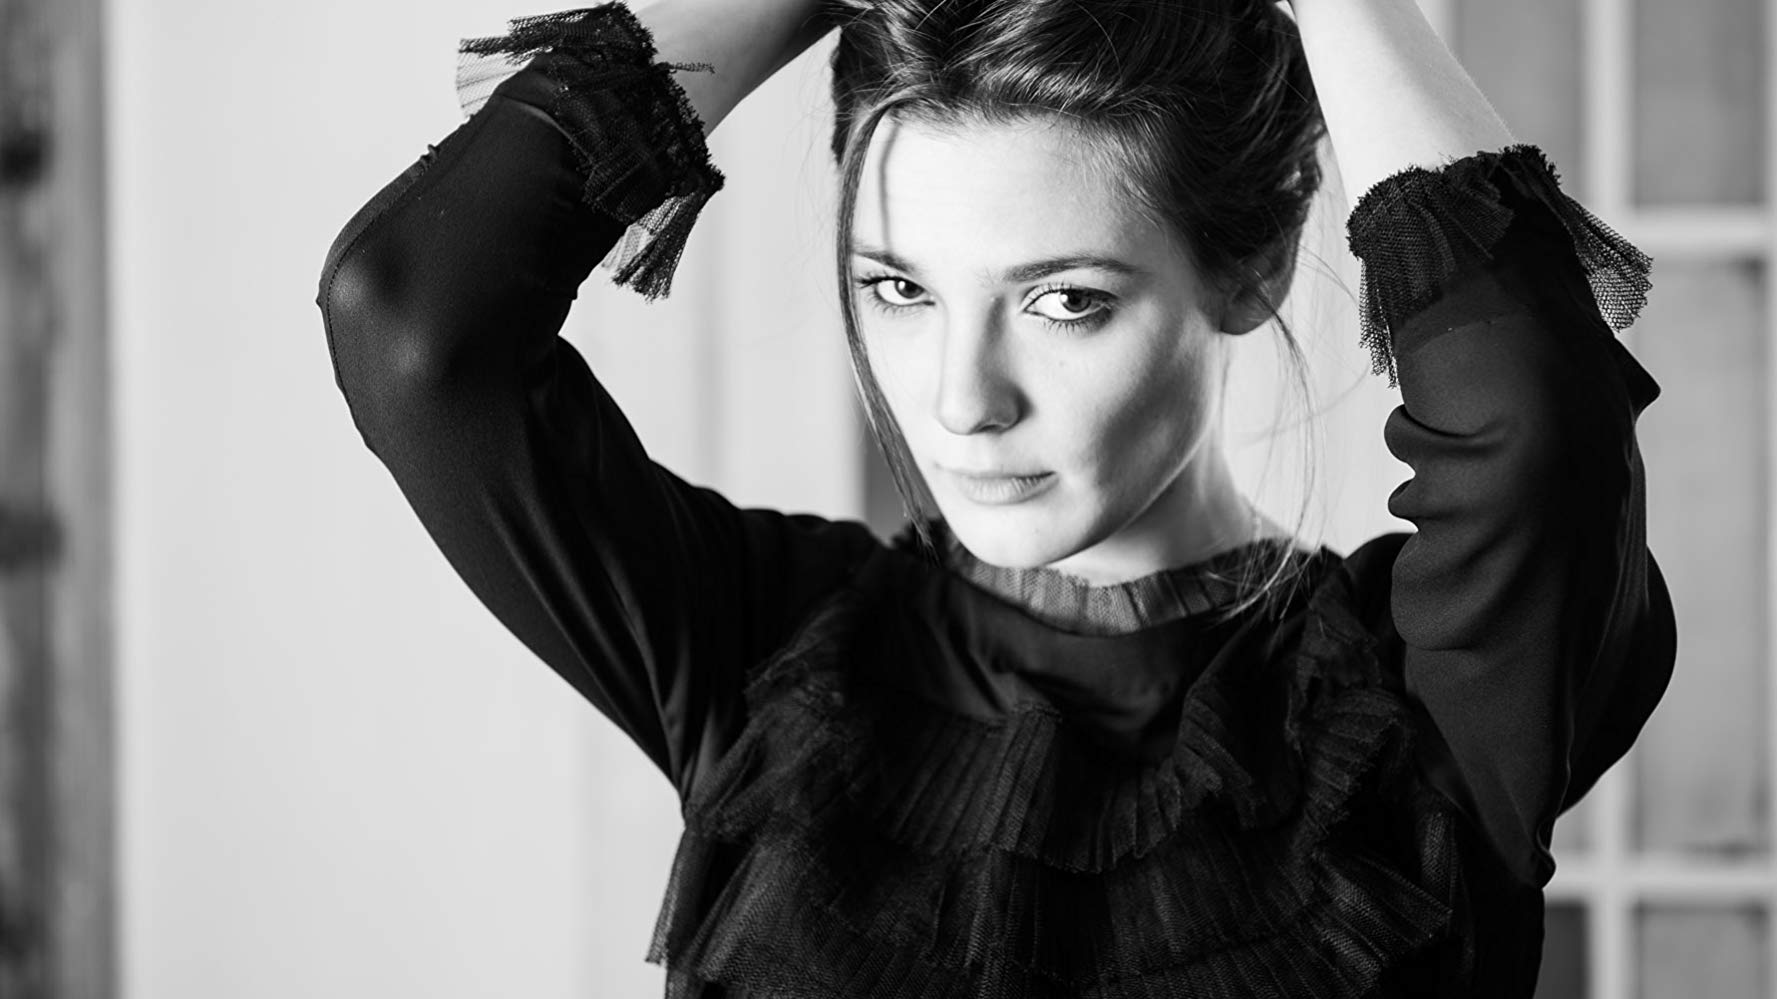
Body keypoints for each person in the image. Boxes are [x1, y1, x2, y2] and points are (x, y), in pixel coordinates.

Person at [316, 0, 1677, 994]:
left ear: (1253, 265)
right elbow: (413, 327)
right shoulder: (773, 653)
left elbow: (1536, 428)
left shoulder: (1430, 709)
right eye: (899, 288)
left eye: (1064, 300)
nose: (961, 399)